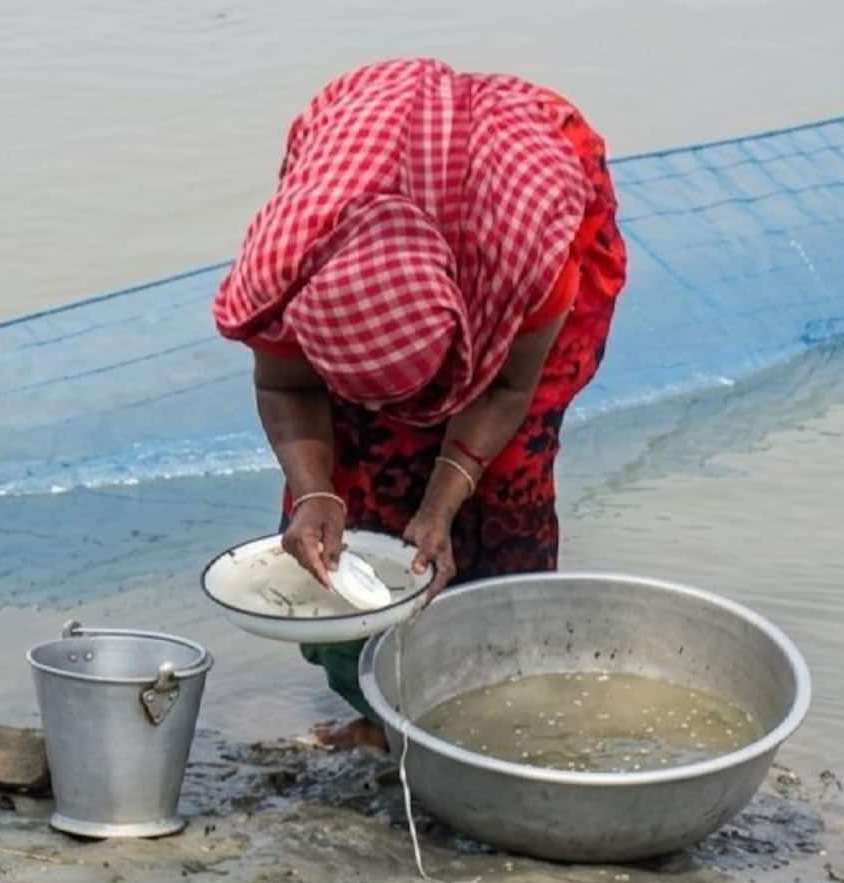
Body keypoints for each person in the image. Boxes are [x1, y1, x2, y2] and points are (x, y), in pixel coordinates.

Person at [213, 56, 629, 751]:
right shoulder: (287, 269)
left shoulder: (529, 254)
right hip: (373, 176)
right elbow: (284, 385)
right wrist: (317, 493)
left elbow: (505, 387)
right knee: (357, 488)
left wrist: (440, 507)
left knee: (506, 484)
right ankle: (384, 715)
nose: (408, 414)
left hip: (514, 202)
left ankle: (483, 707)